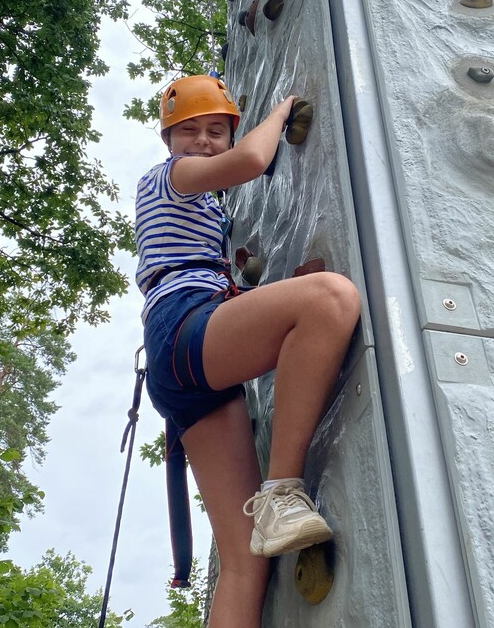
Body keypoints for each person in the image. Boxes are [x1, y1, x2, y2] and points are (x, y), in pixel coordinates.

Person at [135, 75, 361, 627]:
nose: (203, 141)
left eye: (217, 131)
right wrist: (280, 112)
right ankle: (282, 491)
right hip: (184, 323)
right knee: (329, 299)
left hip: (185, 365)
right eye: (189, 130)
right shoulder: (172, 175)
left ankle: (271, 513)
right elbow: (254, 161)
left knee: (245, 562)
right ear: (168, 139)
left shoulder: (204, 206)